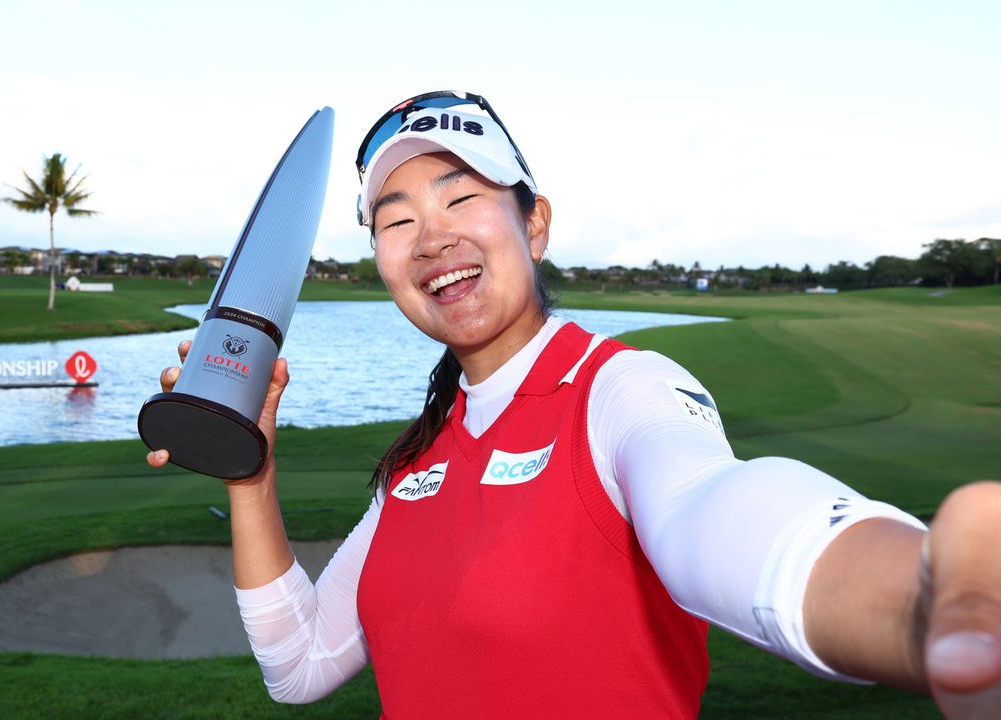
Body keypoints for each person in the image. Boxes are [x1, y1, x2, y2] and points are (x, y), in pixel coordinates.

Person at [148, 91, 1001, 718]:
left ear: (536, 224)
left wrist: (918, 598)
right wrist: (251, 479)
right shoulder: (413, 465)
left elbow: (711, 510)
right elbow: (298, 664)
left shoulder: (622, 389)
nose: (431, 234)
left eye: (461, 196)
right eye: (394, 219)